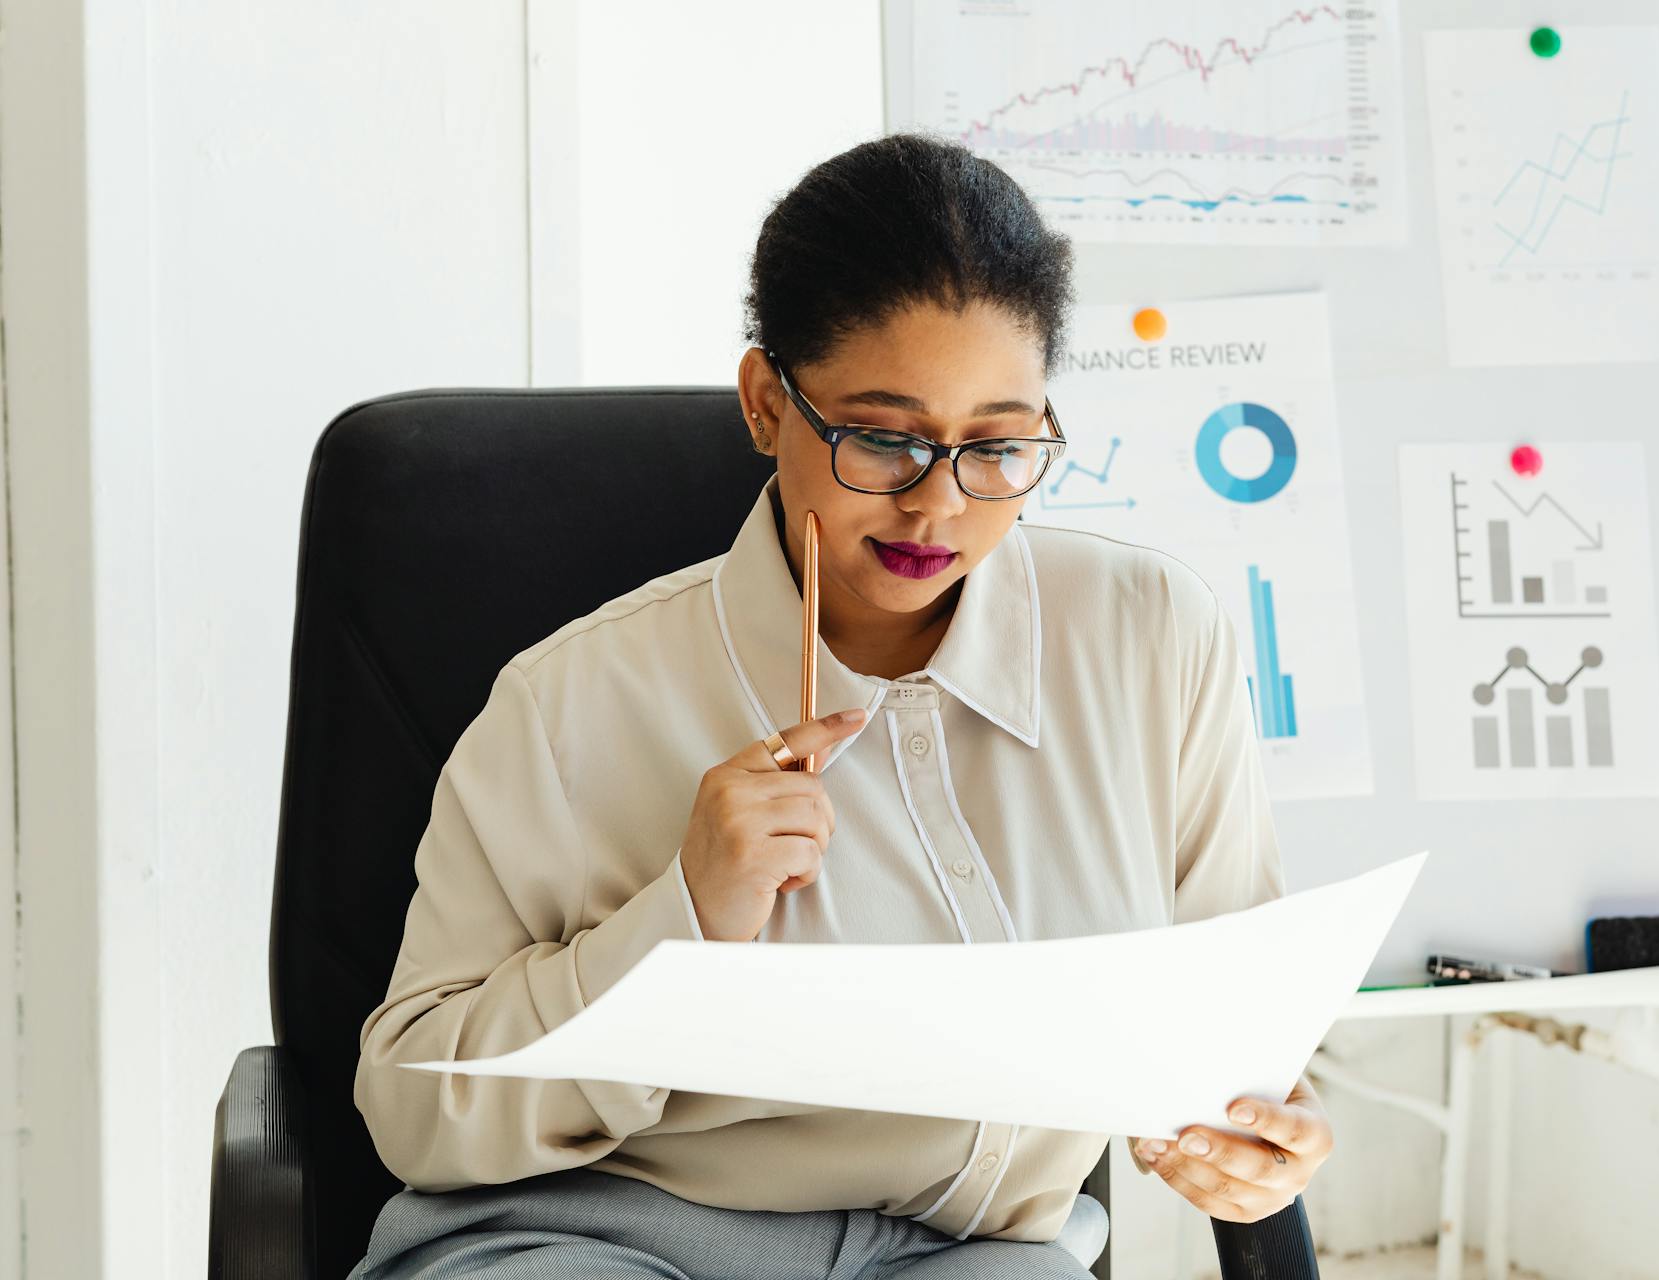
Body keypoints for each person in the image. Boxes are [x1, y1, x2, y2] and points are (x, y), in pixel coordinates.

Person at [347, 132, 1332, 1280]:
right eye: (882, 439)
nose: (938, 505)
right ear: (768, 402)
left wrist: (1254, 1135)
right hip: (598, 1237)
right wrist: (683, 923)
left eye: (999, 447)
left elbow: (1229, 1040)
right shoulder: (572, 698)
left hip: (965, 1252)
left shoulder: (1153, 638)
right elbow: (414, 1106)